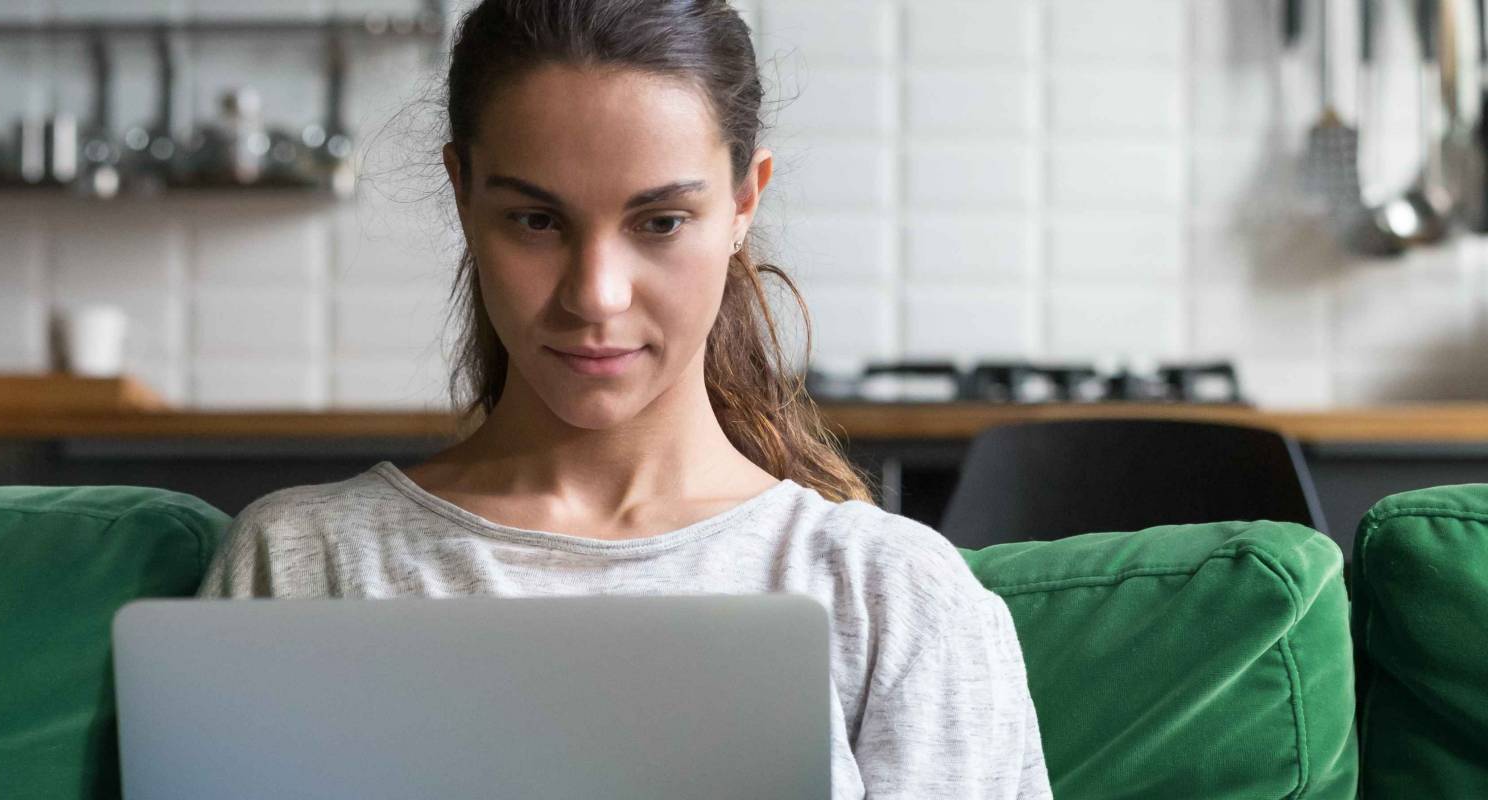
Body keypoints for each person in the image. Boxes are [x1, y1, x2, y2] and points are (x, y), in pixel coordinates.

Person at [199, 0, 1052, 796]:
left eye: (661, 222)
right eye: (537, 221)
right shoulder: (306, 562)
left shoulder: (893, 595)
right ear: (463, 193)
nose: (596, 296)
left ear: (743, 201)